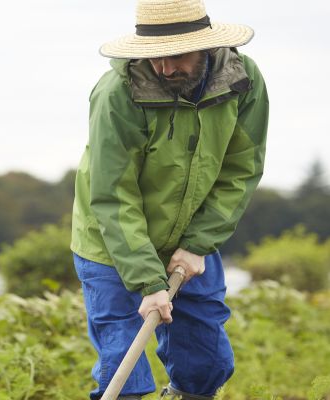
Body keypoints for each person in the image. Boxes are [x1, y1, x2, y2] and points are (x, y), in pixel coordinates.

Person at [70, 0, 269, 398]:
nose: (163, 67)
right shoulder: (118, 93)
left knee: (206, 364)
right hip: (113, 244)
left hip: (192, 242)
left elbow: (240, 169)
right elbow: (113, 195)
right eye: (154, 56)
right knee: (124, 371)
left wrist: (197, 244)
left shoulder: (241, 80)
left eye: (175, 55)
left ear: (206, 46)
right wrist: (148, 282)